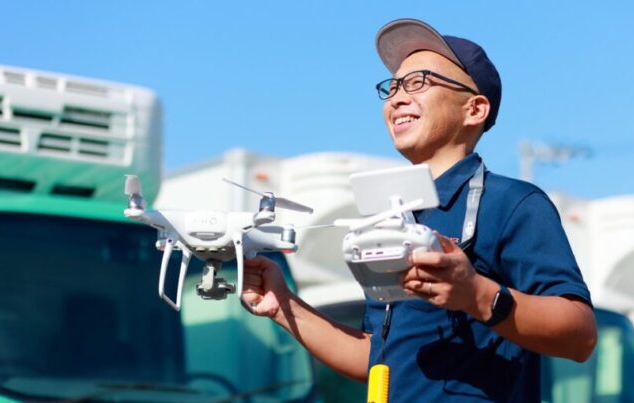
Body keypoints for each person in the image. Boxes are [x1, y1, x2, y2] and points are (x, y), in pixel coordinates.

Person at [241, 18, 597, 402]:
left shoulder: (513, 203)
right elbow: (378, 359)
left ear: (475, 109)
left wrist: (475, 293)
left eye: (418, 82)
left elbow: (580, 335)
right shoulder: (392, 219)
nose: (396, 98)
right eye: (392, 86)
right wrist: (283, 305)